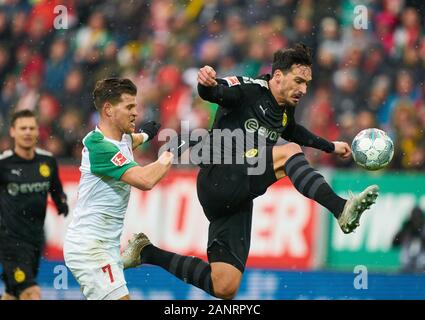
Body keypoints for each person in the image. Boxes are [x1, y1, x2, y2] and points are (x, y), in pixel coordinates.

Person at [122, 44, 379, 299]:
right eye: (298, 80)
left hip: (235, 199)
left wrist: (330, 146)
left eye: (307, 83)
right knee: (288, 151)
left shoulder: (285, 108)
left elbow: (293, 130)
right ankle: (339, 207)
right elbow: (215, 93)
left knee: (225, 285)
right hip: (218, 174)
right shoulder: (248, 89)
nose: (303, 89)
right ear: (278, 76)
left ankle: (146, 252)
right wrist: (206, 82)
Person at [63, 78, 173, 300]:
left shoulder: (120, 138)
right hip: (89, 249)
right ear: (108, 109)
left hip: (106, 247)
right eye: (129, 107)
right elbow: (145, 180)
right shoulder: (100, 147)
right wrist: (168, 156)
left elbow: (131, 140)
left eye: (136, 106)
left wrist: (147, 135)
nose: (135, 112)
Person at [0, 109, 69, 300]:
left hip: (35, 239)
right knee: (31, 293)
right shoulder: (3, 164)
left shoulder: (47, 161)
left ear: (38, 131)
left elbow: (56, 189)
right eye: (23, 128)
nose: (28, 132)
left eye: (32, 128)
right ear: (13, 131)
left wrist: (61, 203)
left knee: (12, 294)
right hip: (9, 241)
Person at [392, 206, 425, 273]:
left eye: (418, 218)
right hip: (406, 265)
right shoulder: (406, 229)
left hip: (421, 265)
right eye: (415, 219)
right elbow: (394, 243)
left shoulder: (423, 230)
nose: (416, 221)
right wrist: (403, 232)